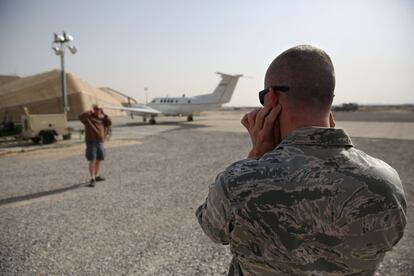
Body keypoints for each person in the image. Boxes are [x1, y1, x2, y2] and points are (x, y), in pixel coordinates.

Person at [196, 45, 407, 275]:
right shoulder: (387, 182)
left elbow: (212, 229)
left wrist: (257, 156)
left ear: (272, 98)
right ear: (329, 99)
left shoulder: (238, 183)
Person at [78, 104, 112, 187]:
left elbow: (109, 123)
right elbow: (80, 117)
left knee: (99, 159)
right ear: (93, 109)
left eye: (100, 109)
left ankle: (97, 176)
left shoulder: (102, 119)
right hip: (91, 142)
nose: (98, 110)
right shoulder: (88, 118)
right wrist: (90, 111)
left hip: (100, 142)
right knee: (92, 160)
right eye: (96, 109)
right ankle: (92, 178)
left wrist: (104, 114)